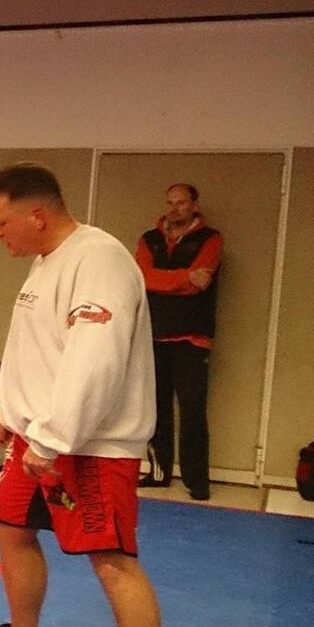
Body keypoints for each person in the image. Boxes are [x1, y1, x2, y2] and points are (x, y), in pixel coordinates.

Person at [0, 163, 172, 627]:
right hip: (39, 434)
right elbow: (39, 348)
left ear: (37, 214)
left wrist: (51, 438)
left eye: (2, 223)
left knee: (113, 561)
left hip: (90, 444)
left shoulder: (97, 260)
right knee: (9, 527)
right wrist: (15, 412)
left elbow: (92, 361)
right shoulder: (46, 263)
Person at [135, 183, 222, 501]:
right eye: (170, 202)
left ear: (194, 205)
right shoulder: (149, 240)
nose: (175, 209)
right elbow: (141, 277)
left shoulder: (210, 238)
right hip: (153, 335)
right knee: (154, 408)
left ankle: (197, 480)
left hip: (193, 337)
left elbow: (202, 283)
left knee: (193, 408)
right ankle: (158, 473)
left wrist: (165, 280)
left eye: (182, 203)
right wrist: (184, 277)